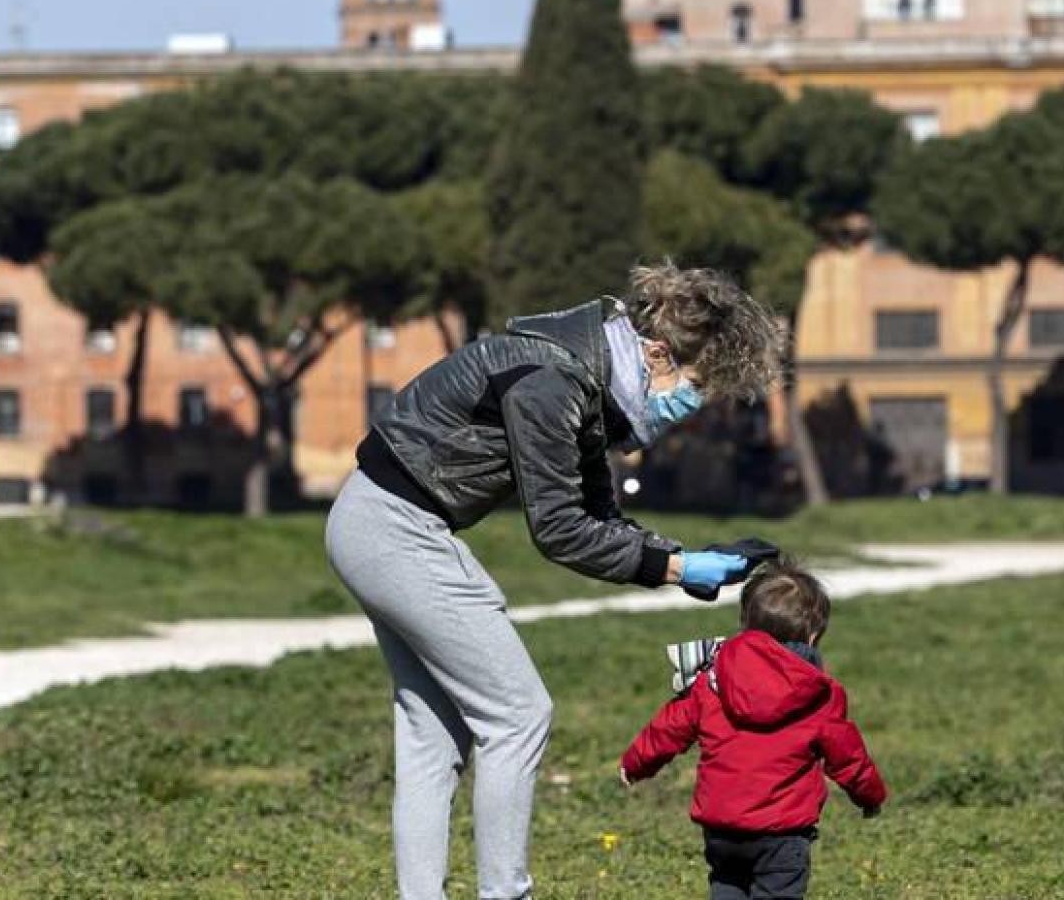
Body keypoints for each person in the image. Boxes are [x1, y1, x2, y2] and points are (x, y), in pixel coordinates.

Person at [325, 263, 786, 900]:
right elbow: (560, 528)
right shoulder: (552, 380)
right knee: (518, 714)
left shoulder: (583, 372)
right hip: (393, 529)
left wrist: (680, 561)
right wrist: (676, 569)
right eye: (695, 385)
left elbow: (597, 512)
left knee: (434, 730)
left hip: (378, 522)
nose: (690, 405)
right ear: (655, 352)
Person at [621, 561, 887, 900]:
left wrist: (635, 763)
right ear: (813, 636)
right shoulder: (820, 695)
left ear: (745, 623)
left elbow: (669, 726)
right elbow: (848, 756)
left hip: (721, 828)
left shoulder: (712, 678)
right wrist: (869, 795)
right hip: (783, 833)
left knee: (727, 886)